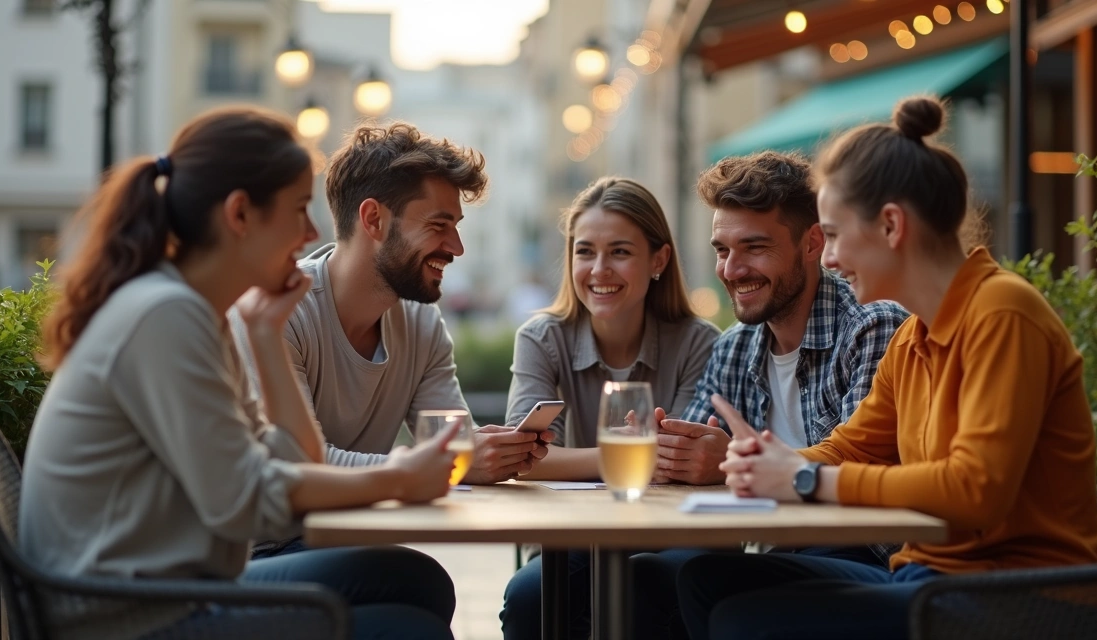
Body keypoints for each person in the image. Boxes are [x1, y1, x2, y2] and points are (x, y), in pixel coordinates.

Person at [676, 96, 1097, 640]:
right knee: (708, 579)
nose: (827, 259)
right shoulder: (915, 334)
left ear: (890, 226)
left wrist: (803, 478)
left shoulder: (1002, 313)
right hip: (932, 578)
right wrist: (772, 462)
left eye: (832, 235)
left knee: (745, 618)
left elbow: (976, 490)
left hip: (1024, 599)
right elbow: (850, 447)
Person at [20, 107, 459, 640]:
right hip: (127, 612)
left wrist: (265, 337)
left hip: (182, 590)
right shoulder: (164, 314)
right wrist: (395, 479)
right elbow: (244, 504)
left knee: (418, 580)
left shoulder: (204, 314)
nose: (312, 232)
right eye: (298, 209)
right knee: (403, 626)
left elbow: (294, 460)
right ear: (240, 215)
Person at [229, 122, 554, 558]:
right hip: (256, 552)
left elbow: (452, 443)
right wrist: (433, 467)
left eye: (456, 226)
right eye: (439, 225)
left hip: (342, 540)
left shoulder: (421, 321)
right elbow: (300, 465)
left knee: (423, 590)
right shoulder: (277, 312)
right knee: (414, 578)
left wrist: (490, 454)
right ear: (373, 219)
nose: (456, 247)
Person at [627, 151, 909, 638]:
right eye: (721, 250)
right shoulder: (735, 347)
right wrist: (671, 453)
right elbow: (696, 460)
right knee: (640, 580)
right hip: (776, 549)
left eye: (753, 248)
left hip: (864, 550)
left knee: (709, 583)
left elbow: (863, 472)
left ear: (812, 243)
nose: (732, 270)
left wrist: (734, 466)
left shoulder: (871, 326)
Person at [499, 177, 720, 640]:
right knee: (527, 598)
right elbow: (521, 460)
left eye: (619, 251)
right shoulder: (542, 338)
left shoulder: (698, 342)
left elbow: (677, 466)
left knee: (641, 589)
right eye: (585, 251)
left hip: (677, 536)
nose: (599, 269)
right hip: (580, 533)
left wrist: (569, 461)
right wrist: (623, 458)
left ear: (658, 260)